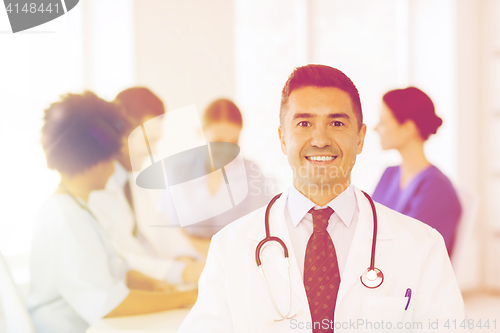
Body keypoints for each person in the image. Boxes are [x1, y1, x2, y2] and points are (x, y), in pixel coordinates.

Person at [179, 65, 465, 333]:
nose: (320, 139)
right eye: (304, 123)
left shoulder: (423, 246)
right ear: (282, 138)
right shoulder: (230, 248)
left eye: (337, 123)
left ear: (360, 138)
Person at [27, 92, 197, 333]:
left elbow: (113, 269)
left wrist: (154, 285)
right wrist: (185, 296)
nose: (114, 165)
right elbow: (108, 304)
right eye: (111, 156)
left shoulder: (77, 208)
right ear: (95, 159)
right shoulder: (66, 219)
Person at [88, 87, 205, 286]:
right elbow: (118, 258)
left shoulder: (130, 182)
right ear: (122, 132)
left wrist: (184, 258)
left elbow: (159, 230)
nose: (153, 152)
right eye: (149, 141)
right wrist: (183, 272)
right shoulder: (94, 189)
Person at [159, 99, 274, 251]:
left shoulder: (252, 173)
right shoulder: (177, 172)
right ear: (200, 132)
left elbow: (262, 230)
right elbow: (167, 231)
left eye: (234, 141)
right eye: (218, 142)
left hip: (239, 261)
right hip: (189, 262)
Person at [372, 87, 462, 256]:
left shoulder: (436, 188)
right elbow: (368, 225)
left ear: (408, 128)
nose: (375, 128)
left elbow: (414, 252)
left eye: (383, 122)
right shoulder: (389, 174)